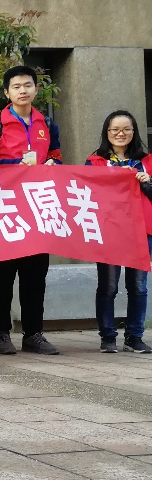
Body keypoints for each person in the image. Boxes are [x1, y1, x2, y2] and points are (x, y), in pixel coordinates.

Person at [0, 65, 63, 356]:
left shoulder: (47, 124)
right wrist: (16, 165)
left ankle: (33, 334)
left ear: (36, 89)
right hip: (5, 207)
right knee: (2, 274)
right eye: (16, 86)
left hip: (38, 206)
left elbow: (56, 156)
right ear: (6, 92)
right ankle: (1, 333)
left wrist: (53, 164)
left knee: (35, 275)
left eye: (27, 85)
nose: (22, 91)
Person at [85, 110, 152, 354]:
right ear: (107, 132)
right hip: (109, 231)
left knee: (139, 286)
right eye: (115, 129)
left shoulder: (147, 161)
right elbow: (85, 193)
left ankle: (134, 336)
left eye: (126, 129)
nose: (120, 134)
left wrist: (147, 183)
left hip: (141, 231)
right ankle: (108, 336)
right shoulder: (95, 162)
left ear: (134, 132)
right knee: (108, 285)